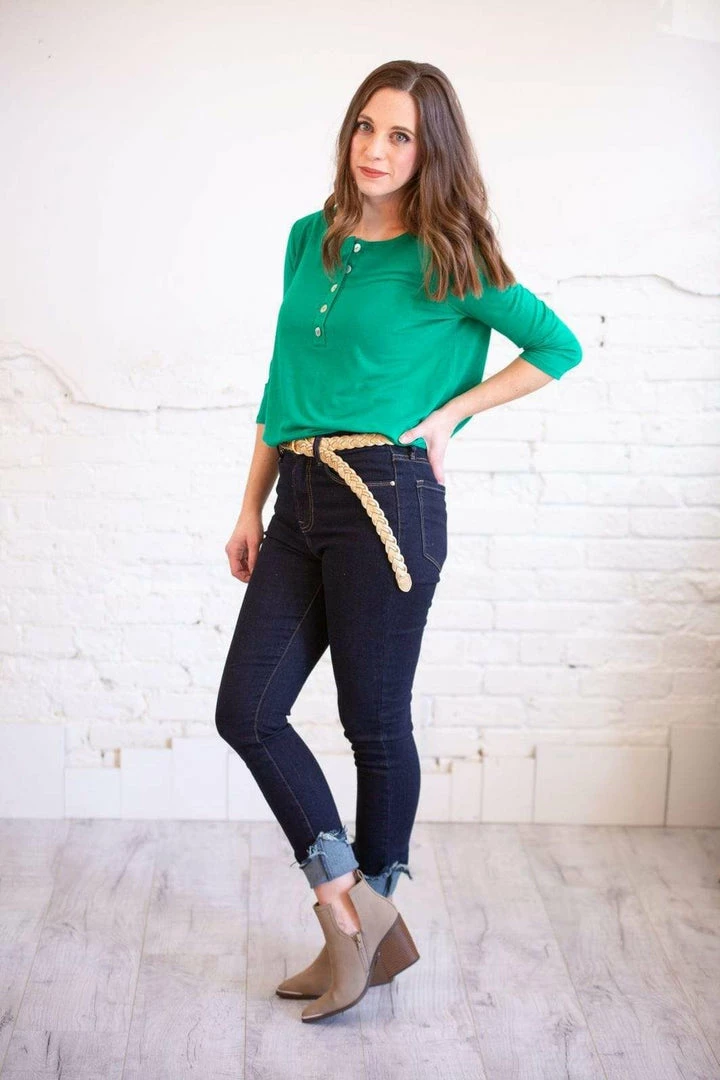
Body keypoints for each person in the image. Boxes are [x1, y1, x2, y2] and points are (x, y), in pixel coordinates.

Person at [215, 59, 583, 1022]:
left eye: (401, 136)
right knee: (247, 711)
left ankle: (362, 926)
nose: (375, 149)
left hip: (387, 496)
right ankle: (353, 916)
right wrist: (250, 505)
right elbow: (281, 381)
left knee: (373, 722)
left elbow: (558, 347)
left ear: (431, 151)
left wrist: (451, 414)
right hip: (299, 492)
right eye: (365, 127)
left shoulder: (452, 252)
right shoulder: (310, 237)